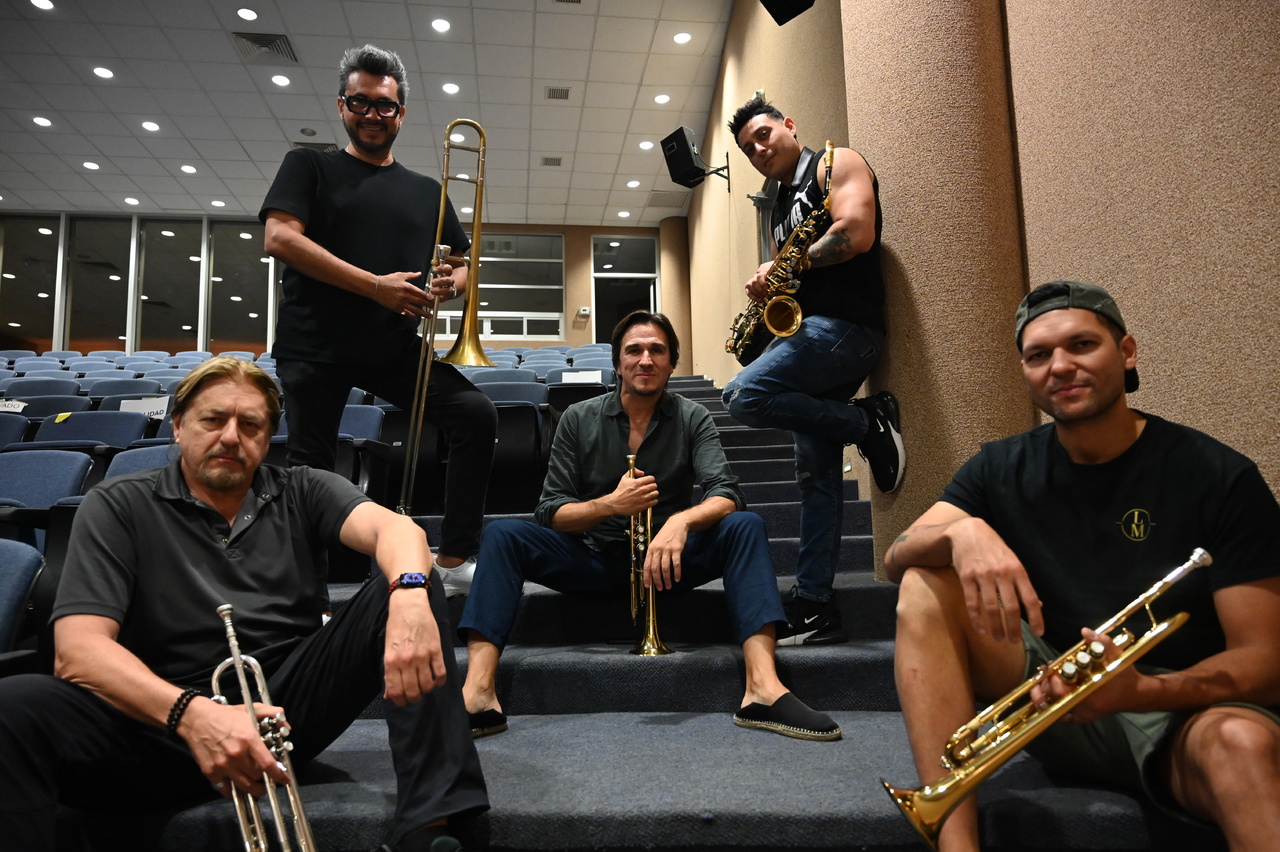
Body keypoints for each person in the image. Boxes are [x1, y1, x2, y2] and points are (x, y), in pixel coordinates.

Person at [0, 357, 488, 852]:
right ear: (178, 426)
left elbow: (396, 529)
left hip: (284, 713)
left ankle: (432, 827)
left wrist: (409, 594)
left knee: (410, 580)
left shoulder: (303, 488)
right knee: (13, 705)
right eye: (212, 420)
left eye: (250, 425)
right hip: (156, 722)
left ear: (267, 437)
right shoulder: (117, 503)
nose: (231, 437)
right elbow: (78, 651)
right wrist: (195, 715)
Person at [886, 281, 1280, 852]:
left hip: (1184, 712)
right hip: (1053, 705)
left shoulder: (1218, 475)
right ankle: (954, 840)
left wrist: (1140, 692)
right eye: (1039, 355)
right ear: (1025, 372)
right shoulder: (1000, 467)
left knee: (1241, 742)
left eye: (1082, 345)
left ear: (1127, 352)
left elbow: (1266, 661)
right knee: (924, 582)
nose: (1060, 366)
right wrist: (960, 532)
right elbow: (897, 554)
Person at [457, 311, 841, 742]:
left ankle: (763, 689)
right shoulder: (577, 418)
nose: (645, 359)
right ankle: (480, 693)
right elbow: (551, 511)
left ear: (671, 363)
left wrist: (681, 522)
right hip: (595, 561)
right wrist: (610, 504)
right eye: (634, 350)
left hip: (668, 566)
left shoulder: (693, 416)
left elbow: (726, 493)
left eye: (657, 350)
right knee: (502, 535)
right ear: (618, 363)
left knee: (744, 525)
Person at [260, 44, 494, 594]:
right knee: (311, 471)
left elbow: (464, 265)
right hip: (314, 345)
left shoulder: (428, 190)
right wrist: (374, 286)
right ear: (341, 106)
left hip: (392, 345)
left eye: (384, 105)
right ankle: (308, 597)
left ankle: (454, 558)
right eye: (359, 102)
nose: (372, 113)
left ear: (401, 113)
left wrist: (451, 284)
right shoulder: (309, 165)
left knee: (476, 415)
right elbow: (280, 238)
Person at [721, 96, 905, 647]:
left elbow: (857, 232)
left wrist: (784, 263)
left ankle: (865, 423)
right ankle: (816, 604)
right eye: (747, 148)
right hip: (811, 337)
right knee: (816, 477)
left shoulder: (834, 163)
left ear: (789, 125)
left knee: (741, 396)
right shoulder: (779, 209)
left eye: (763, 134)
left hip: (847, 329)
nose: (758, 149)